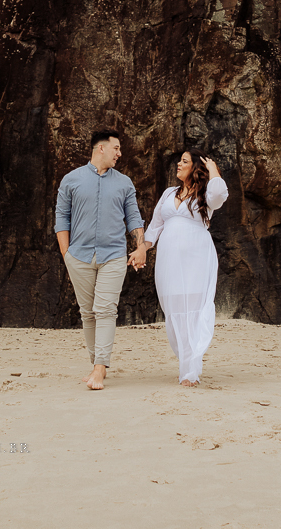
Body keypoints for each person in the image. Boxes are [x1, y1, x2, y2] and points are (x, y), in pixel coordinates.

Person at [128, 151, 228, 386]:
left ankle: (190, 371)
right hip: (168, 259)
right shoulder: (168, 193)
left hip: (197, 257)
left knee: (194, 309)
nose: (178, 164)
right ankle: (187, 363)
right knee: (174, 310)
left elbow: (219, 194)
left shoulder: (206, 193)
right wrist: (142, 249)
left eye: (185, 161)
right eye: (179, 160)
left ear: (195, 168)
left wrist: (213, 169)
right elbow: (154, 228)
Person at [55, 130, 145, 390]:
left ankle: (99, 369)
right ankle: (97, 363)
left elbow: (134, 219)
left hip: (114, 257)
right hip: (79, 257)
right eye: (116, 148)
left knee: (106, 310)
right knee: (88, 313)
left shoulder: (125, 183)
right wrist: (66, 254)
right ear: (101, 149)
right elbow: (62, 218)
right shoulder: (71, 180)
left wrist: (141, 248)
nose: (120, 153)